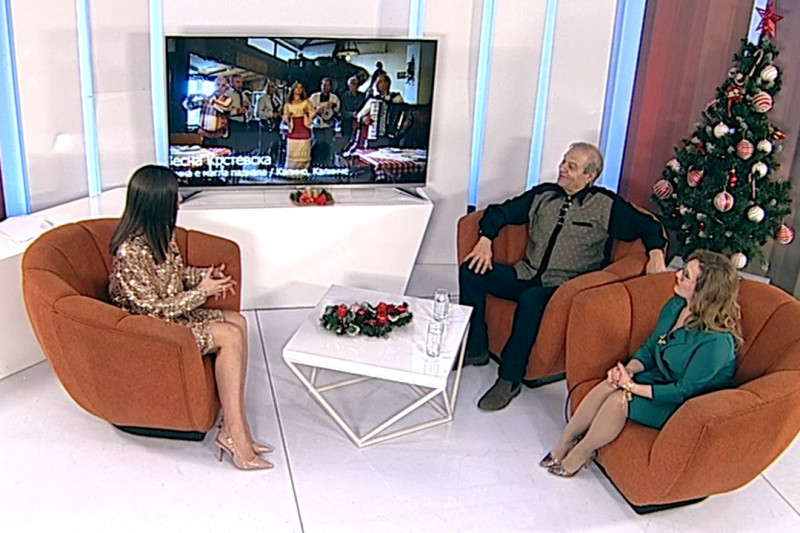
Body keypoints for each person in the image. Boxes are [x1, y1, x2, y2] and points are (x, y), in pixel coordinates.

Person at [461, 142, 668, 411]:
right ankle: (476, 347)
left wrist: (656, 253)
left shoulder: (606, 205)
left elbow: (648, 225)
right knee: (471, 271)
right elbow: (500, 211)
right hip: (526, 273)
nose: (562, 169)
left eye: (572, 166)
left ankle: (510, 378)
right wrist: (485, 240)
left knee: (532, 299)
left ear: (589, 175)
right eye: (563, 162)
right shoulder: (543, 195)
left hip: (564, 288)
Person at [108, 165, 273, 471]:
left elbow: (172, 276)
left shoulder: (160, 235)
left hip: (171, 317)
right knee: (229, 335)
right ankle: (237, 435)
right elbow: (152, 311)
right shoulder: (129, 252)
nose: (180, 201)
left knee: (238, 322)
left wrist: (204, 276)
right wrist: (202, 292)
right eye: (175, 196)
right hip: (150, 332)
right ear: (157, 203)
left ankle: (231, 426)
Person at [541, 250, 740, 477]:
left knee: (619, 400)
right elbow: (651, 346)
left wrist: (632, 387)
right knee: (610, 383)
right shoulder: (677, 305)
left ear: (704, 291)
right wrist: (627, 370)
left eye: (686, 276)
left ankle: (580, 453)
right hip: (662, 378)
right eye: (682, 270)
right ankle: (565, 443)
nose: (676, 275)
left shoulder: (716, 343)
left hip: (684, 405)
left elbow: (683, 391)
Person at [355, 73, 404, 149]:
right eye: (376, 83)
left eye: (380, 82)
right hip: (375, 136)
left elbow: (402, 114)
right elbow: (359, 115)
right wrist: (364, 119)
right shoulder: (374, 100)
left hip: (392, 137)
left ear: (387, 83)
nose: (377, 85)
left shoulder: (396, 98)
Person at [309, 77, 341, 167]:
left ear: (330, 86)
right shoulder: (314, 97)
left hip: (328, 126)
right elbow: (309, 109)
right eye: (324, 85)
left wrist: (333, 106)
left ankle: (326, 164)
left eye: (327, 85)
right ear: (321, 85)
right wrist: (316, 110)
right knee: (317, 144)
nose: (325, 87)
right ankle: (315, 163)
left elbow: (338, 110)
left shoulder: (334, 98)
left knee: (328, 145)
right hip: (317, 125)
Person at [283, 81, 315, 170]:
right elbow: (285, 116)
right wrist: (288, 117)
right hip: (293, 129)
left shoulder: (306, 102)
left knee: (304, 151)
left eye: (301, 88)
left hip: (304, 127)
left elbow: (312, 113)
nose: (299, 89)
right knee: (293, 151)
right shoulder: (288, 104)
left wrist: (307, 113)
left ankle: (304, 169)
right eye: (297, 87)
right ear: (293, 89)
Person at [197, 75, 232, 145]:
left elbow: (224, 108)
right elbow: (190, 106)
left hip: (219, 135)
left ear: (227, 87)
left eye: (223, 85)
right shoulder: (207, 98)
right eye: (218, 85)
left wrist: (213, 102)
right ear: (214, 85)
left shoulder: (228, 99)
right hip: (204, 134)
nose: (220, 87)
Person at [256, 79, 283, 165]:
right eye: (270, 86)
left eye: (273, 87)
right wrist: (271, 114)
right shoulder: (262, 99)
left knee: (276, 145)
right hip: (266, 125)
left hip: (276, 125)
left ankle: (273, 164)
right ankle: (262, 164)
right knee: (265, 145)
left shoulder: (277, 99)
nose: (271, 89)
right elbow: (258, 113)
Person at [226, 74, 255, 153]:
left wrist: (248, 107)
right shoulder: (228, 95)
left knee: (242, 148)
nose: (240, 85)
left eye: (241, 83)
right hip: (233, 125)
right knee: (233, 148)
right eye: (237, 82)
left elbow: (251, 108)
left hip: (243, 125)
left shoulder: (243, 95)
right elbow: (225, 111)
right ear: (231, 83)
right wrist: (237, 111)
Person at [339, 75, 365, 144]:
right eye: (353, 84)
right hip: (347, 125)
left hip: (360, 124)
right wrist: (352, 114)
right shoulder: (343, 97)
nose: (356, 86)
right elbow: (342, 112)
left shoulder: (362, 96)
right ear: (349, 85)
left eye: (357, 84)